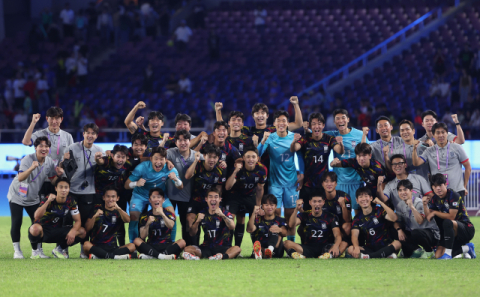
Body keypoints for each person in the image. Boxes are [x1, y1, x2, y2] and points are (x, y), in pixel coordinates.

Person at [8, 136, 64, 259]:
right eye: (41, 146)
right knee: (17, 222)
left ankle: (37, 251)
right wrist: (32, 168)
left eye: (46, 146)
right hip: (17, 195)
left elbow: (52, 180)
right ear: (35, 148)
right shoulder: (27, 159)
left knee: (38, 223)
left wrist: (59, 175)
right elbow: (21, 177)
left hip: (33, 197)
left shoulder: (49, 162)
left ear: (49, 148)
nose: (44, 149)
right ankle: (17, 251)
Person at [257, 110, 304, 242]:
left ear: (288, 123)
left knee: (290, 214)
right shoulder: (270, 137)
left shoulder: (294, 136)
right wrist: (263, 140)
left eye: (284, 120)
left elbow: (299, 156)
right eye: (278, 120)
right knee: (275, 214)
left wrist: (302, 173)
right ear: (274, 123)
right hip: (275, 183)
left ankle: (290, 243)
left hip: (291, 183)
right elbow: (259, 154)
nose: (281, 123)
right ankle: (276, 244)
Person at [61, 123, 104, 258]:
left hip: (89, 192)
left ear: (96, 136)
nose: (90, 135)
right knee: (67, 220)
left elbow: (102, 167)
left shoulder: (99, 150)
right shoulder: (72, 148)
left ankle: (83, 251)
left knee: (86, 222)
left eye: (93, 133)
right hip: (72, 190)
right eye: (88, 133)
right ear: (83, 134)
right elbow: (64, 167)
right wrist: (63, 160)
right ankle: (63, 249)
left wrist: (100, 160)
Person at [124, 146, 182, 243]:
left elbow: (180, 186)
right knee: (133, 216)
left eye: (161, 159)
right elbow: (126, 185)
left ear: (165, 160)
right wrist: (136, 184)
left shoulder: (170, 168)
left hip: (158, 197)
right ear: (151, 159)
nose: (158, 162)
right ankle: (132, 245)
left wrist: (176, 179)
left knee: (172, 215)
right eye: (156, 158)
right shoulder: (141, 168)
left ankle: (171, 243)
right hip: (140, 195)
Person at [290, 113, 344, 208]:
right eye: (314, 124)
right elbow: (294, 148)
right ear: (310, 126)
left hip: (323, 183)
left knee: (324, 213)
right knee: (305, 213)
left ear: (323, 125)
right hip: (307, 183)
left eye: (319, 123)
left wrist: (341, 144)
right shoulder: (305, 139)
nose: (316, 126)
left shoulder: (329, 138)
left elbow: (339, 150)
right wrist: (294, 141)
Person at [22, 107, 74, 197]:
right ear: (47, 119)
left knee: (58, 209)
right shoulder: (39, 134)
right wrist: (33, 122)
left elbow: (71, 159)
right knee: (41, 209)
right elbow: (26, 142)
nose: (54, 122)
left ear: (61, 119)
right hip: (42, 179)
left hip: (59, 180)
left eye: (57, 118)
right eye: (51, 118)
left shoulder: (67, 136)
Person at [28, 178, 85, 259]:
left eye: (66, 187)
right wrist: (48, 201)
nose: (63, 190)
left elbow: (78, 221)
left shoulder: (71, 201)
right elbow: (36, 216)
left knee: (82, 231)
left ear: (69, 189)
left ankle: (59, 249)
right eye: (61, 187)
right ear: (56, 188)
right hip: (44, 231)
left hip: (58, 231)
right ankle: (35, 251)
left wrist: (73, 231)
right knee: (34, 228)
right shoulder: (49, 198)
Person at [324, 109, 368, 210]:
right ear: (334, 122)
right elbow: (316, 136)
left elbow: (368, 153)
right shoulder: (332, 135)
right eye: (337, 119)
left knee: (358, 213)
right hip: (340, 182)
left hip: (357, 181)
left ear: (348, 119)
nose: (340, 121)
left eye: (343, 118)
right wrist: (306, 130)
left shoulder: (360, 134)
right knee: (342, 215)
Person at [424, 174, 476, 260]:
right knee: (438, 256)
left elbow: (451, 216)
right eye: (435, 186)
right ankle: (467, 248)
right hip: (449, 233)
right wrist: (424, 205)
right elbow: (429, 216)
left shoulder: (453, 195)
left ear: (445, 184)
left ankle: (448, 254)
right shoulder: (434, 199)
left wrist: (435, 212)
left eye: (440, 185)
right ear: (432, 187)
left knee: (447, 221)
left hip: (466, 229)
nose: (438, 188)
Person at [413, 123, 471, 198]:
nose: (441, 135)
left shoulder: (457, 147)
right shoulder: (429, 151)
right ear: (433, 136)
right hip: (438, 192)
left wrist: (464, 186)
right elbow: (416, 163)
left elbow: (468, 167)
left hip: (457, 191)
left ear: (447, 134)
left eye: (443, 132)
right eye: (437, 133)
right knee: (436, 210)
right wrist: (414, 149)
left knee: (456, 210)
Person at [225, 146, 267, 247]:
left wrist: (258, 206)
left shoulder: (262, 169)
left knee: (255, 219)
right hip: (234, 195)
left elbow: (260, 188)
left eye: (253, 157)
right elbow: (227, 187)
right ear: (243, 158)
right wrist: (235, 171)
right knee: (230, 220)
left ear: (258, 158)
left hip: (250, 195)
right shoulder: (238, 168)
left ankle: (256, 249)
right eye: (248, 157)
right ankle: (229, 248)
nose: (250, 159)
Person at [185, 146, 226, 245]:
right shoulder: (198, 165)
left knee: (220, 220)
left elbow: (219, 188)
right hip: (196, 199)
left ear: (218, 158)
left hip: (210, 201)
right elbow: (187, 176)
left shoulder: (221, 169)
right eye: (209, 157)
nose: (212, 160)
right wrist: (195, 161)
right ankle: (194, 247)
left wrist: (216, 204)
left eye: (214, 157)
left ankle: (216, 246)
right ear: (204, 156)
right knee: (190, 220)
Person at [183, 189, 240, 260]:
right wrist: (197, 221)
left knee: (237, 249)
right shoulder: (202, 213)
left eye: (216, 197)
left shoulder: (225, 212)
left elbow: (232, 226)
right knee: (187, 249)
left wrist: (222, 216)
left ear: (220, 199)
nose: (213, 199)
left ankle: (221, 256)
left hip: (223, 248)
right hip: (206, 248)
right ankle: (200, 257)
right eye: (210, 197)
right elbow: (192, 233)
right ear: (206, 199)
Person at [284, 194, 345, 259]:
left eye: (319, 201)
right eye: (314, 201)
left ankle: (329, 254)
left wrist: (335, 246)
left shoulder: (331, 217)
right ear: (310, 202)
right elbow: (291, 224)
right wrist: (296, 209)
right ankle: (296, 255)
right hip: (308, 247)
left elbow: (337, 235)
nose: (317, 204)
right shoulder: (304, 215)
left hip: (325, 248)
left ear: (323, 202)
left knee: (343, 243)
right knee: (286, 243)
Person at [94, 144, 132, 246]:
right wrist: (97, 159)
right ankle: (93, 245)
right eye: (118, 156)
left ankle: (122, 246)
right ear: (112, 155)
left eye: (123, 157)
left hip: (117, 197)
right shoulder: (107, 160)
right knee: (97, 219)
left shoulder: (127, 165)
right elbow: (100, 161)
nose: (120, 160)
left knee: (120, 222)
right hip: (99, 196)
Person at [347, 187, 401, 259]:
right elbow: (354, 235)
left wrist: (381, 203)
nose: (364, 199)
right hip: (370, 248)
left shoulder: (379, 210)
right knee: (350, 248)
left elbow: (394, 218)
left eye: (366, 196)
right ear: (357, 200)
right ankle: (384, 255)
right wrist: (356, 247)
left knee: (397, 243)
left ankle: (370, 256)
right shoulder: (357, 218)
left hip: (386, 246)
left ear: (371, 198)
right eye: (360, 197)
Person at [83, 186, 135, 260]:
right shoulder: (96, 209)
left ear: (117, 198)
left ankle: (102, 256)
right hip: (96, 246)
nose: (110, 199)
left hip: (112, 247)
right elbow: (87, 228)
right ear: (103, 197)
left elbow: (128, 220)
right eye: (108, 196)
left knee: (132, 246)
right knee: (86, 245)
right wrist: (95, 216)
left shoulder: (118, 211)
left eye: (113, 197)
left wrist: (119, 208)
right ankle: (114, 257)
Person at [393, 180, 440, 258]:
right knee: (393, 230)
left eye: (405, 190)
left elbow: (420, 221)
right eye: (400, 190)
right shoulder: (400, 205)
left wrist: (412, 207)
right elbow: (397, 221)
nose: (402, 192)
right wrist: (399, 230)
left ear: (411, 191)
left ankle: (429, 251)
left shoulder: (419, 202)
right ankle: (416, 249)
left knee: (416, 233)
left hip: (429, 233)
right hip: (413, 232)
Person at [135, 188, 186, 260]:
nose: (156, 199)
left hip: (166, 245)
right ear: (150, 200)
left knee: (182, 242)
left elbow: (171, 226)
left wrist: (162, 214)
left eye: (158, 197)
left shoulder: (169, 213)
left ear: (163, 199)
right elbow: (142, 236)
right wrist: (148, 223)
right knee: (136, 240)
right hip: (151, 245)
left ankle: (153, 256)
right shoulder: (145, 216)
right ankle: (163, 256)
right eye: (153, 197)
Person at [166, 130, 197, 246]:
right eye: (180, 140)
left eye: (185, 140)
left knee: (186, 223)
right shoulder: (170, 152)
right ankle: (167, 246)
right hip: (170, 196)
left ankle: (188, 248)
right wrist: (167, 160)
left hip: (187, 196)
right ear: (176, 142)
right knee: (168, 222)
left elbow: (211, 161)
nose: (183, 142)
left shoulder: (196, 155)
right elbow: (156, 157)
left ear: (190, 141)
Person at [247, 194, 287, 259]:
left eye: (272, 205)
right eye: (266, 205)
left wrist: (279, 229)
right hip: (262, 247)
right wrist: (253, 213)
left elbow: (285, 233)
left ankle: (269, 250)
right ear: (262, 206)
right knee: (257, 248)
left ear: (276, 206)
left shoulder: (280, 220)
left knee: (274, 229)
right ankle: (260, 253)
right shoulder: (258, 220)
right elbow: (249, 230)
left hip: (276, 250)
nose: (269, 207)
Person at [320, 172, 352, 242]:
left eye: (332, 181)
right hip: (325, 226)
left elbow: (348, 220)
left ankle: (346, 244)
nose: (329, 184)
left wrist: (343, 206)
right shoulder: (319, 198)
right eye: (326, 181)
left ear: (336, 183)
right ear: (322, 184)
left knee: (347, 226)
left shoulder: (345, 196)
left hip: (340, 227)